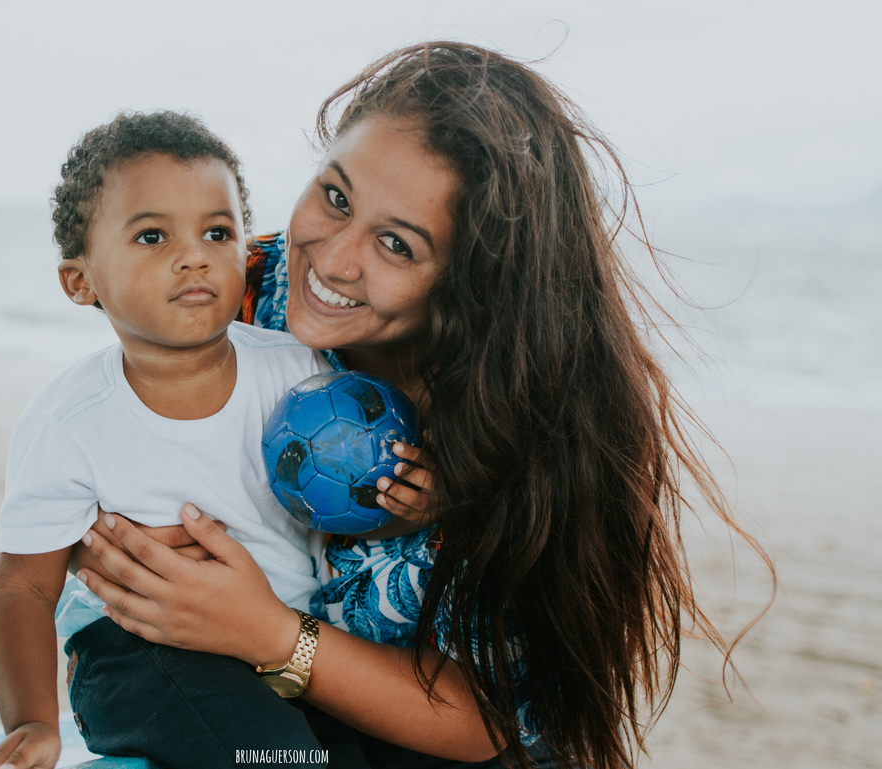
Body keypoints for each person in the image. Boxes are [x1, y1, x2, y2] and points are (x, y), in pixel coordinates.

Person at [65, 41, 773, 769]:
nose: (333, 260)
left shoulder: (529, 422)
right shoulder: (240, 293)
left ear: (470, 280)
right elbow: (90, 449)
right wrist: (118, 554)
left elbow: (491, 722)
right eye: (335, 197)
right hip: (263, 702)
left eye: (397, 245)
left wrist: (273, 632)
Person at [0, 110, 440, 769]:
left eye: (217, 231)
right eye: (152, 235)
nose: (193, 254)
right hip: (142, 651)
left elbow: (335, 510)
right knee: (279, 762)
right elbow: (22, 585)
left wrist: (406, 510)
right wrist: (30, 720)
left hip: (276, 644)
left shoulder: (298, 372)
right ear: (80, 281)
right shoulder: (70, 421)